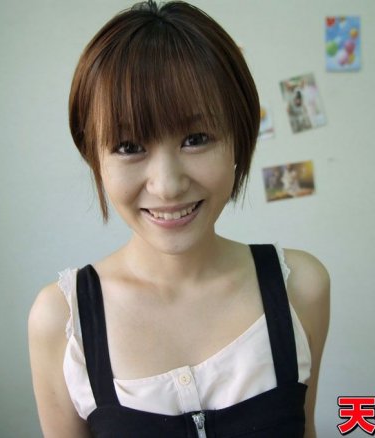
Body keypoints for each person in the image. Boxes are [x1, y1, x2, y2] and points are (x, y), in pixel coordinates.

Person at [28, 1, 330, 437]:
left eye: (196, 138)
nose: (167, 186)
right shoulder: (61, 319)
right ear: (94, 157)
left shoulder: (300, 287)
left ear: (239, 139)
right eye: (129, 147)